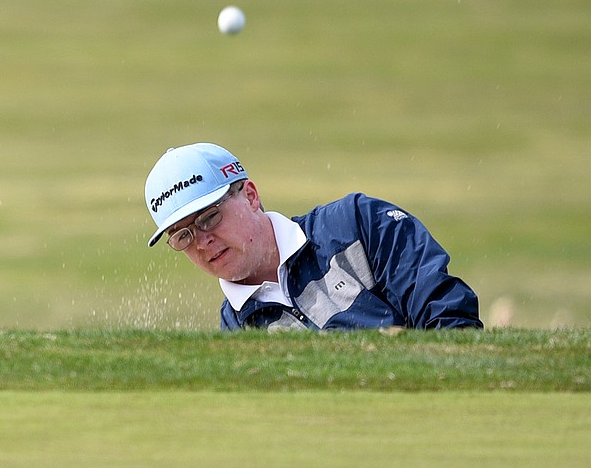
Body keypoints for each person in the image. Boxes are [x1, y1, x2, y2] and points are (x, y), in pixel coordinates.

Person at [143, 142, 483, 331]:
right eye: (183, 237)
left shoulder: (358, 224)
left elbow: (451, 319)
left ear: (250, 196)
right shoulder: (237, 329)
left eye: (210, 217)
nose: (202, 242)